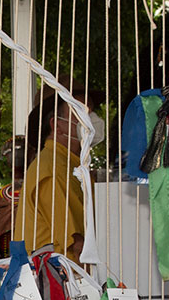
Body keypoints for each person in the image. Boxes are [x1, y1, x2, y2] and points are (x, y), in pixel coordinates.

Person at [12, 86, 104, 264]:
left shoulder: (69, 165)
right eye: (80, 113)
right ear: (57, 124)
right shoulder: (55, 168)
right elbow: (78, 244)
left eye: (91, 113)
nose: (91, 120)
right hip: (59, 282)